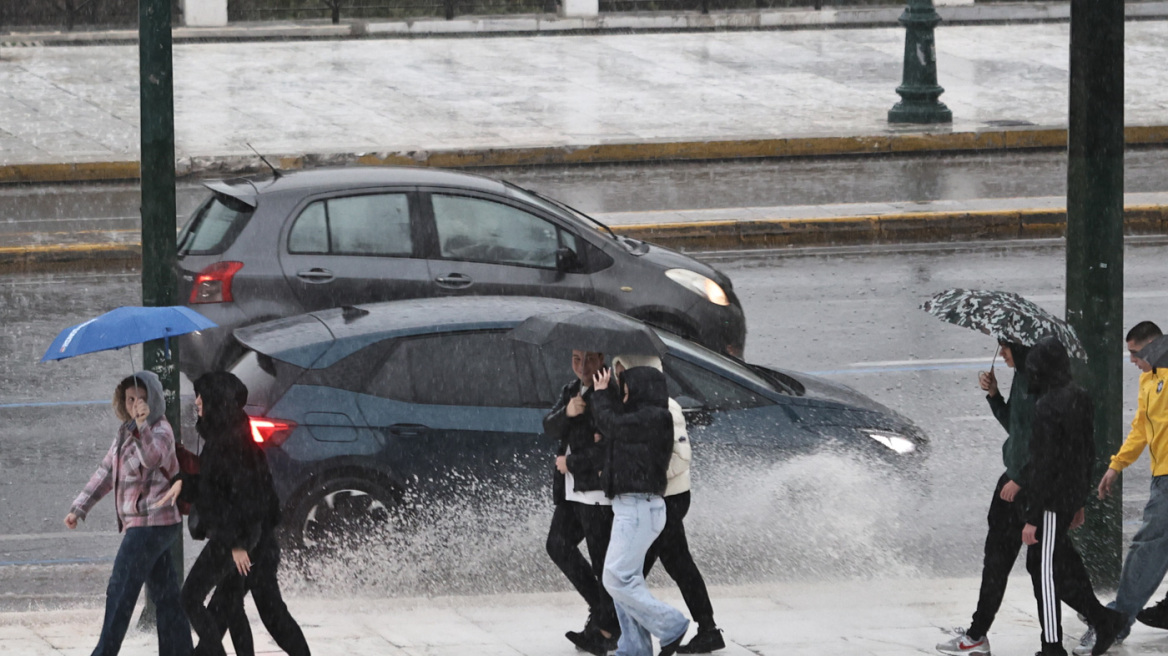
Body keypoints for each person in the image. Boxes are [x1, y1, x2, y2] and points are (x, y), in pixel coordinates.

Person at [158, 372, 310, 656]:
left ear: (216, 400)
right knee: (231, 608)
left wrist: (238, 545)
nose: (198, 401)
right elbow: (212, 487)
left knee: (216, 603)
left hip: (248, 542)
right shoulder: (222, 436)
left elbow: (247, 501)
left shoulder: (232, 442)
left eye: (202, 395)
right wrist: (183, 481)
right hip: (243, 539)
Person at [64, 371, 192, 656]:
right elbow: (106, 472)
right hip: (144, 524)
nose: (137, 405)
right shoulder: (124, 431)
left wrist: (143, 426)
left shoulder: (160, 430)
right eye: (131, 399)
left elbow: (152, 457)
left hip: (153, 524)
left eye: (143, 399)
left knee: (120, 590)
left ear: (154, 400)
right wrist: (79, 507)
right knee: (166, 596)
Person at [1019, 336, 1124, 656]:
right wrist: (1079, 501)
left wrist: (1032, 518)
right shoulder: (1080, 397)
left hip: (1050, 505)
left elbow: (1044, 465)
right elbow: (1084, 454)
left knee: (1045, 572)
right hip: (1067, 499)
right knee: (1048, 564)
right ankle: (1104, 619)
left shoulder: (1047, 406)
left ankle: (1053, 645)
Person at [612, 355, 725, 654]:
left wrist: (647, 474)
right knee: (675, 562)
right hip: (655, 498)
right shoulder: (633, 406)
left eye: (626, 374)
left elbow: (681, 456)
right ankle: (707, 627)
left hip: (668, 499)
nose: (621, 380)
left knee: (628, 572)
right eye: (619, 374)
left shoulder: (666, 408)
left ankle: (621, 630)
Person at [936, 341, 1035, 656]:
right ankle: (978, 630)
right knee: (1014, 560)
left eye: (1005, 348)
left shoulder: (1034, 383)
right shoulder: (1021, 377)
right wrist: (994, 395)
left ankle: (977, 634)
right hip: (1014, 480)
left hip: (1021, 485)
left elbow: (1039, 440)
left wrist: (1019, 478)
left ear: (1019, 348)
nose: (1001, 354)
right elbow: (1015, 429)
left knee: (1001, 561)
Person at [1075, 321, 1167, 654]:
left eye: (1135, 353)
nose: (1132, 360)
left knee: (1148, 547)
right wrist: (1116, 466)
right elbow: (1141, 430)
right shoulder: (1149, 379)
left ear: (1154, 345)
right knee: (1153, 547)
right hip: (1162, 476)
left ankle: (1115, 620)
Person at [593, 363, 690, 656]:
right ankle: (634, 648)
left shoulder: (655, 417)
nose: (623, 399)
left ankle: (671, 625)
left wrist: (599, 395)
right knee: (626, 580)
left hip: (638, 509)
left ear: (640, 390)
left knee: (614, 578)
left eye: (625, 392)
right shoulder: (641, 417)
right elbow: (615, 424)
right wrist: (606, 396)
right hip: (632, 508)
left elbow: (612, 424)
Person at [544, 350, 620, 656]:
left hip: (597, 493)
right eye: (575, 358)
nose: (581, 366)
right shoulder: (571, 390)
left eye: (588, 359)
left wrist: (572, 462)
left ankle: (605, 629)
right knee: (557, 544)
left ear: (601, 358)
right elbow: (549, 426)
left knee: (604, 564)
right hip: (572, 491)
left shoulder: (609, 392)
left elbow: (610, 446)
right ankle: (603, 613)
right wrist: (568, 413)